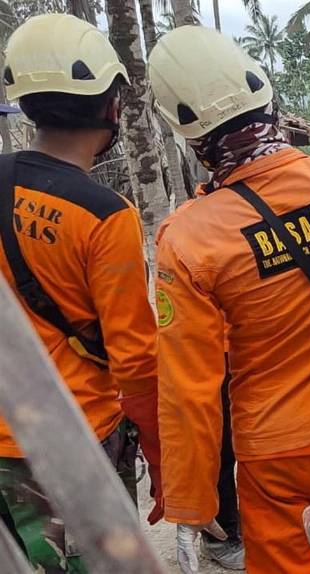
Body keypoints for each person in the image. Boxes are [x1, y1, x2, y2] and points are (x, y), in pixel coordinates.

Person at [147, 26, 310, 574]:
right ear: (267, 98)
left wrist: (192, 502)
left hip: (277, 453)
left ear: (188, 134)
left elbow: (190, 388)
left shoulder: (189, 238)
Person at [0, 13, 163, 572]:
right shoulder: (104, 217)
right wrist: (162, 457)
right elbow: (136, 360)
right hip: (71, 446)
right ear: (111, 105)